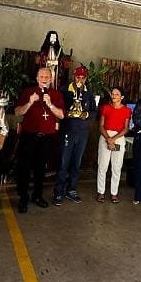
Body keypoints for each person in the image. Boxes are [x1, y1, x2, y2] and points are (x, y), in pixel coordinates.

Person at [14, 67, 65, 213]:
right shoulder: (28, 92)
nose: (44, 79)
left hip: (47, 138)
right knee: (24, 168)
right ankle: (23, 198)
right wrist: (30, 102)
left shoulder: (56, 94)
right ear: (37, 79)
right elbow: (17, 112)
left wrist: (50, 104)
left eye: (47, 77)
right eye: (41, 77)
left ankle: (37, 195)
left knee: (40, 169)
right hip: (29, 136)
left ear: (51, 79)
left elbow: (61, 115)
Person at [53, 65, 96, 206]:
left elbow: (94, 111)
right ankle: (58, 191)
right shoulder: (64, 90)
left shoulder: (89, 92)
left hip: (82, 132)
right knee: (63, 162)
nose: (80, 80)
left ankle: (71, 190)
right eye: (78, 77)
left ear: (86, 78)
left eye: (83, 77)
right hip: (67, 130)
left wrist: (86, 115)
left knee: (76, 163)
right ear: (73, 76)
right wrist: (67, 114)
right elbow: (58, 109)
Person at [96, 86, 132, 203]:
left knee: (116, 167)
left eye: (117, 94)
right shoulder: (106, 108)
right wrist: (108, 138)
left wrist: (113, 139)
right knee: (102, 166)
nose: (114, 96)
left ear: (122, 97)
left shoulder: (127, 110)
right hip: (105, 136)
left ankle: (114, 193)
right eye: (112, 93)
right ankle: (100, 192)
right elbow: (101, 126)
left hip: (119, 138)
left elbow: (126, 128)